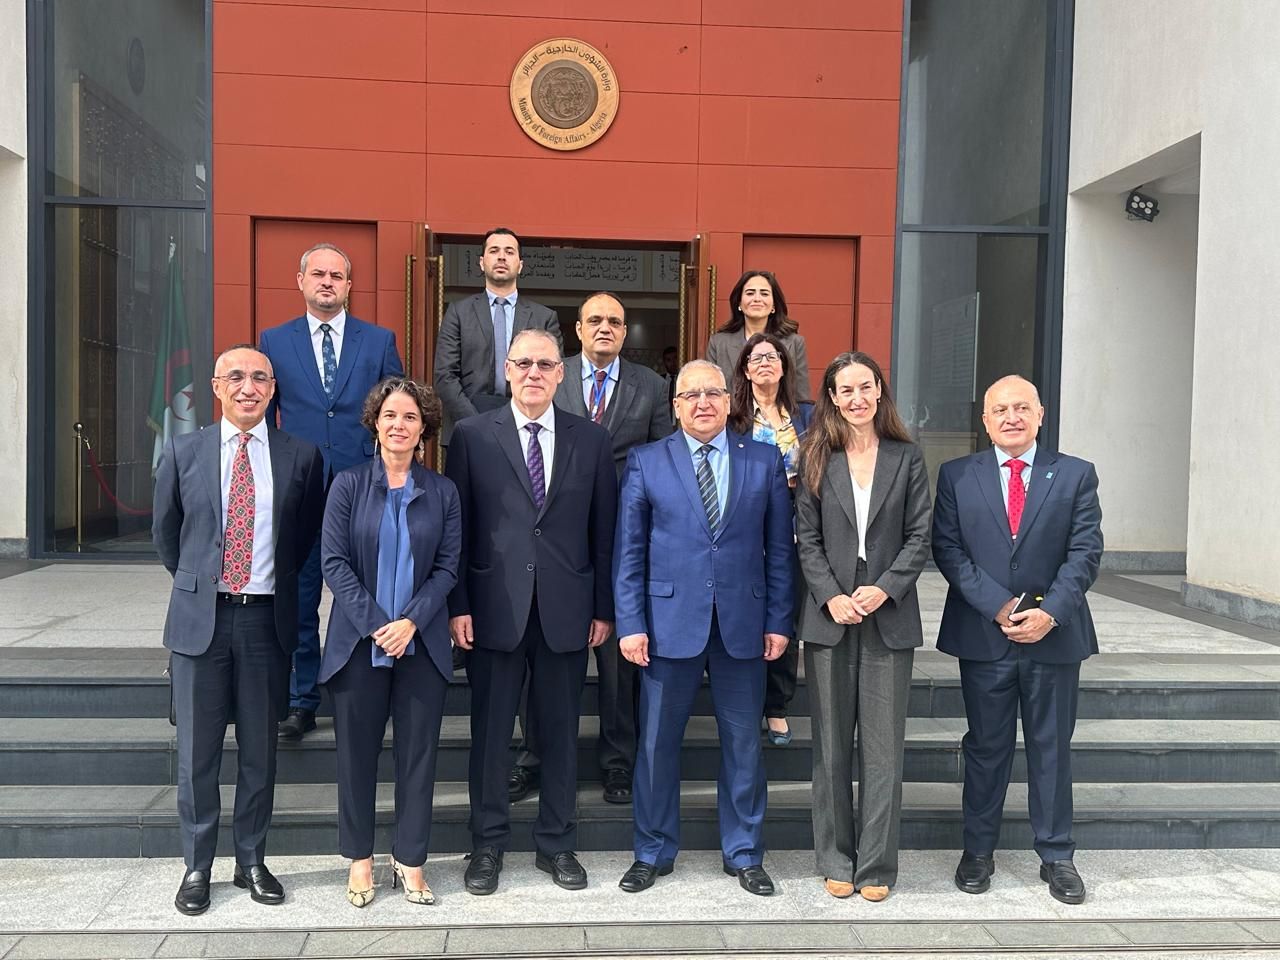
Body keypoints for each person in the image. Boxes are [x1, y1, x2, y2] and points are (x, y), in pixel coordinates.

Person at [153, 345, 326, 916]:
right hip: (200, 622)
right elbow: (168, 539)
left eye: (259, 377)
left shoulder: (302, 456)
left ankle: (251, 859)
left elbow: (301, 542)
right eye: (236, 377)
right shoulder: (183, 452)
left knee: (259, 754)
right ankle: (197, 866)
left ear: (273, 389)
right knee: (197, 756)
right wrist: (204, 586)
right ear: (216, 387)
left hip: (263, 623)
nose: (248, 386)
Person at [446, 329, 617, 895]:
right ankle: (488, 845)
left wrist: (603, 608)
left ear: (561, 373)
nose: (535, 373)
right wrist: (459, 606)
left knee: (561, 733)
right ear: (507, 369)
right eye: (524, 363)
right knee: (491, 735)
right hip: (494, 608)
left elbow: (603, 533)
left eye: (546, 363)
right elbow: (459, 530)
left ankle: (557, 845)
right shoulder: (472, 435)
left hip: (567, 610)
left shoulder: (590, 440)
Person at [614, 360, 793, 897]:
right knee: (655, 746)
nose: (702, 403)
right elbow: (629, 552)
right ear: (675, 406)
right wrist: (630, 623)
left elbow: (780, 552)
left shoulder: (762, 461)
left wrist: (779, 620)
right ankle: (651, 851)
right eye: (690, 395)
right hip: (667, 626)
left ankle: (743, 853)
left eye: (712, 393)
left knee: (743, 746)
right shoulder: (647, 461)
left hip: (743, 624)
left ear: (730, 399)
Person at [932, 375, 1103, 905]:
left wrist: (1049, 612)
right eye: (999, 409)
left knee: (1051, 748)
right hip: (986, 636)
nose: (1011, 416)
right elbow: (949, 550)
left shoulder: (1074, 474)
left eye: (1021, 408)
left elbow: (1085, 552)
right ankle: (977, 852)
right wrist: (1003, 606)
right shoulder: (957, 475)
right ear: (984, 420)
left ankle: (1057, 856)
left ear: (1040, 414)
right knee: (986, 748)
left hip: (1054, 637)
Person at [510, 292, 671, 806]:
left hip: (625, 539)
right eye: (595, 320)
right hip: (553, 539)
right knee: (538, 660)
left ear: (626, 333)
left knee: (617, 663)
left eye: (616, 322)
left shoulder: (652, 386)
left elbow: (664, 457)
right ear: (576, 330)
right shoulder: (550, 375)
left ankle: (617, 761)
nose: (605, 327)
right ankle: (534, 757)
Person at [794, 352, 931, 903]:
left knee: (882, 749)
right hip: (831, 616)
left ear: (880, 392)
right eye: (844, 390)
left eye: (865, 388)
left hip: (888, 612)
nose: (856, 399)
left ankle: (875, 865)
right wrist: (830, 595)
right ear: (830, 396)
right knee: (830, 747)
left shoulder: (907, 457)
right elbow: (806, 537)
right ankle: (835, 858)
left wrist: (886, 586)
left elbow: (921, 534)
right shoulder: (815, 455)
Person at [319, 378, 461, 908]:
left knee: (417, 758)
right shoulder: (348, 485)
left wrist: (411, 624)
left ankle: (411, 860)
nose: (398, 424)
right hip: (359, 645)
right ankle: (360, 861)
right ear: (375, 425)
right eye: (389, 416)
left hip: (420, 646)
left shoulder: (443, 492)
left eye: (409, 417)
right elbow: (333, 562)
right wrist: (380, 623)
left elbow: (448, 568)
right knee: (356, 757)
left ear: (424, 429)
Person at [259, 242, 404, 740]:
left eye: (337, 276)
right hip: (298, 495)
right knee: (299, 600)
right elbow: (264, 417)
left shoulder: (379, 340)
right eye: (317, 274)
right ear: (299, 281)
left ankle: (360, 692)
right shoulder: (273, 342)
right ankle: (302, 700)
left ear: (348, 286)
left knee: (364, 595)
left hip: (362, 493)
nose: (327, 282)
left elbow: (397, 411)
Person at [727, 332, 814, 747]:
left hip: (798, 520)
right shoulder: (733, 416)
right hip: (746, 520)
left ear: (784, 367)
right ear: (744, 369)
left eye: (773, 356)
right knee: (745, 612)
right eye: (756, 357)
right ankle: (746, 699)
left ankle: (777, 707)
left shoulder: (807, 415)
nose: (765, 362)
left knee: (785, 613)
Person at [433, 227, 562, 444]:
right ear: (482, 262)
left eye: (509, 252)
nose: (502, 256)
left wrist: (521, 419)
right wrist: (475, 423)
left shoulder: (544, 317)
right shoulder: (458, 312)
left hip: (527, 423)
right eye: (494, 250)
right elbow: (445, 375)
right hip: (469, 424)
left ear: (520, 265)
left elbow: (551, 373)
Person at [705, 270, 811, 404]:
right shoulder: (718, 343)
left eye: (764, 293)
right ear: (739, 303)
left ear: (774, 305)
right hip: (732, 421)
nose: (757, 299)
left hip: (779, 421)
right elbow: (712, 394)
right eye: (750, 293)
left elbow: (801, 397)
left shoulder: (794, 343)